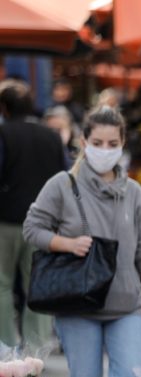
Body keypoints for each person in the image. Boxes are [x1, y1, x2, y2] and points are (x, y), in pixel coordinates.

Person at [22, 106, 141, 377]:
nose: (105, 150)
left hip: (126, 305)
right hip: (77, 305)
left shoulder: (133, 193)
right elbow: (32, 229)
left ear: (122, 143)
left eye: (112, 143)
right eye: (98, 143)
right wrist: (67, 244)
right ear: (84, 142)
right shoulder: (63, 185)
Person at [0, 80, 66, 350]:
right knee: (37, 287)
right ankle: (35, 352)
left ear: (4, 108)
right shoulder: (51, 136)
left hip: (6, 221)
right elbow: (64, 176)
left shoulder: (3, 134)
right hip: (44, 227)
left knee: (1, 285)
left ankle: (4, 349)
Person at [43, 105, 77, 169]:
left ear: (70, 129)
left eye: (59, 129)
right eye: (51, 130)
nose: (55, 135)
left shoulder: (77, 151)